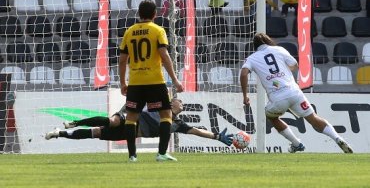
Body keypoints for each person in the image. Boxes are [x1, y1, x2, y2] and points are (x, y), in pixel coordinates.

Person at [240, 33, 354, 153]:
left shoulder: (252, 58)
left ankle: (296, 143)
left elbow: (243, 74)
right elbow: (294, 65)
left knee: (271, 117)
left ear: (255, 46)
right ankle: (337, 138)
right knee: (313, 118)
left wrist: (245, 95)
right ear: (268, 41)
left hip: (278, 98)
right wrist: (283, 73)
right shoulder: (279, 49)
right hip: (294, 92)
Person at [119, 0, 184, 162]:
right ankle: (161, 153)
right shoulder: (158, 30)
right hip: (155, 81)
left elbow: (122, 60)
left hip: (135, 82)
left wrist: (122, 82)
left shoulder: (129, 31)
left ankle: (132, 156)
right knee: (166, 114)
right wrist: (175, 80)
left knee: (131, 118)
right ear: (155, 14)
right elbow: (164, 55)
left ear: (139, 14)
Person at [45, 98, 234, 147]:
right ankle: (75, 122)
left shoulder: (176, 124)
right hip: (130, 115)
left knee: (96, 133)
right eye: (179, 100)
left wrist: (217, 136)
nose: (181, 102)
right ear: (171, 103)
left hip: (131, 132)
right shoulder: (158, 104)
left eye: (181, 101)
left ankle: (59, 133)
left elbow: (198, 131)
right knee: (113, 121)